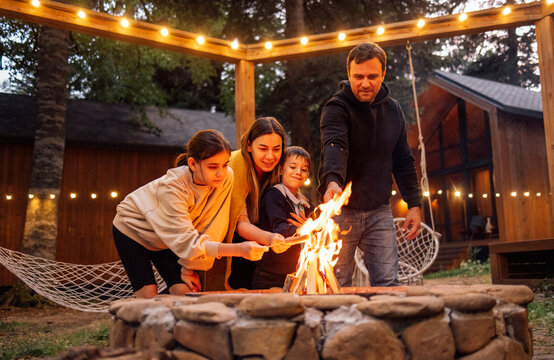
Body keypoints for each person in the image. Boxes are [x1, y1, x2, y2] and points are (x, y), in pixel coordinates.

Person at [112, 129, 269, 298]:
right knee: (148, 296)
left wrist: (189, 267)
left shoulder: (225, 177)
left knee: (186, 293)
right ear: (193, 164)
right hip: (133, 231)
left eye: (225, 164)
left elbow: (212, 224)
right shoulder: (172, 188)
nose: (220, 172)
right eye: (212, 166)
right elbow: (188, 243)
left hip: (169, 239)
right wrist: (238, 250)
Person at [318, 42, 422, 287]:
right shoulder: (336, 107)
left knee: (387, 282)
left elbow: (404, 161)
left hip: (379, 210)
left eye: (372, 76)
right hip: (341, 211)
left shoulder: (394, 110)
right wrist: (332, 181)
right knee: (336, 283)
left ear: (383, 74)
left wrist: (415, 204)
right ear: (349, 74)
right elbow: (335, 146)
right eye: (358, 77)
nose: (365, 83)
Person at [224, 117, 292, 290]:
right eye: (263, 148)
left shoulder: (280, 169)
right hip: (233, 239)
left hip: (260, 244)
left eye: (276, 149)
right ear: (249, 145)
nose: (270, 156)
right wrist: (271, 239)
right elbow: (240, 224)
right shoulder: (235, 166)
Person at [252, 146, 315, 289]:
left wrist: (311, 228)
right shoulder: (273, 196)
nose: (298, 172)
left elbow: (319, 230)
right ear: (281, 169)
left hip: (295, 273)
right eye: (293, 167)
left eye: (303, 169)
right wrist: (303, 228)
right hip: (270, 274)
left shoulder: (306, 205)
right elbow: (280, 229)